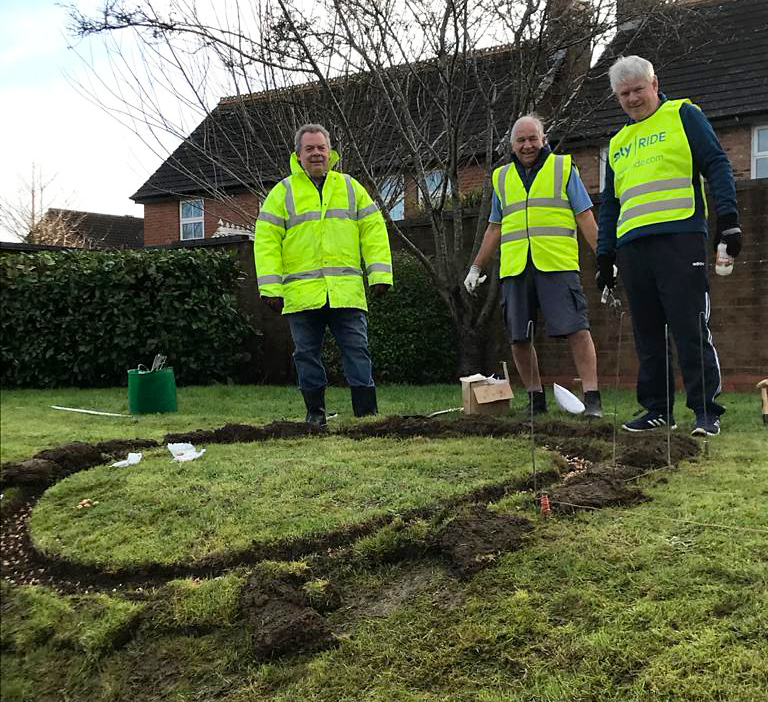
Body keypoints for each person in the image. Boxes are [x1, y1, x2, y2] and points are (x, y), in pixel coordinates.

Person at [596, 55, 741, 437]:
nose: (632, 99)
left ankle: (705, 411)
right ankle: (658, 409)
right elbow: (610, 204)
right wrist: (604, 255)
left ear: (654, 84)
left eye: (638, 90)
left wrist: (728, 221)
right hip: (632, 248)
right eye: (623, 94)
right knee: (647, 335)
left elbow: (717, 164)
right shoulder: (617, 142)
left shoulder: (684, 115)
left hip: (680, 238)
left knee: (690, 326)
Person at [253, 123, 393, 426]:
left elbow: (373, 230)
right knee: (306, 355)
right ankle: (315, 415)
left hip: (346, 292)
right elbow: (266, 243)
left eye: (321, 148)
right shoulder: (282, 193)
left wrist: (380, 274)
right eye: (310, 149)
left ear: (330, 152)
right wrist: (270, 288)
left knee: (357, 350)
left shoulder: (351, 187)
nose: (317, 153)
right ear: (298, 155)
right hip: (302, 295)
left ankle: (366, 417)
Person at [464, 115, 603, 418]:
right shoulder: (501, 177)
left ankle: (592, 398)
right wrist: (475, 267)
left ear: (543, 138)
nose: (527, 145)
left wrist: (604, 257)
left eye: (532, 139)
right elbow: (493, 227)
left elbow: (585, 216)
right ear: (511, 144)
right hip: (516, 269)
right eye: (521, 140)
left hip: (556, 264)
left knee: (577, 329)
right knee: (518, 336)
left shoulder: (563, 168)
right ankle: (534, 398)